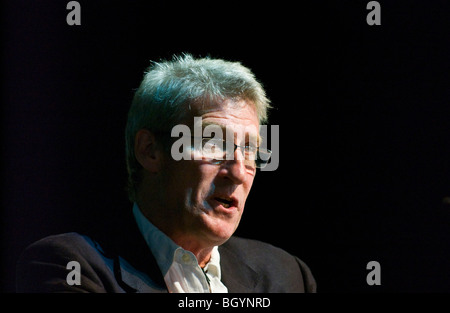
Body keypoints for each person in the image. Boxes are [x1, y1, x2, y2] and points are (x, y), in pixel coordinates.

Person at [16, 54, 316, 293]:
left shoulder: (287, 275)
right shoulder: (71, 266)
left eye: (249, 149)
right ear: (150, 150)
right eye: (213, 143)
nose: (238, 171)